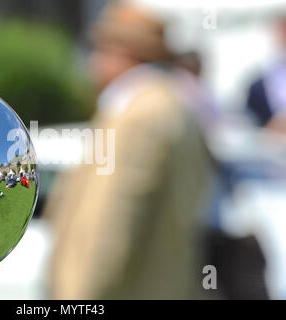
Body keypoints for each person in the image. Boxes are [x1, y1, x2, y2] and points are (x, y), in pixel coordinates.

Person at [44, 1, 213, 299]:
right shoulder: (171, 104)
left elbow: (108, 226)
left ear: (123, 52)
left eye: (98, 49)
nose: (92, 61)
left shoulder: (138, 115)